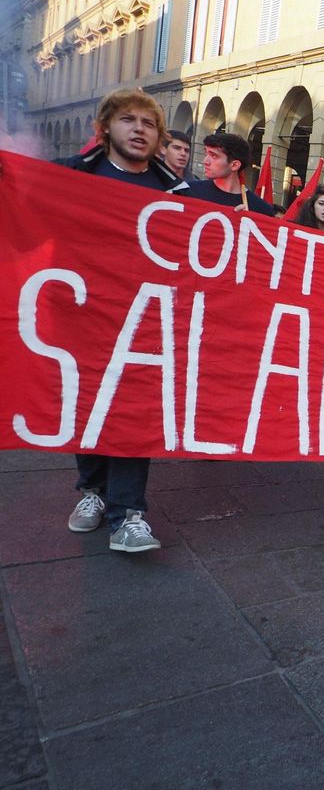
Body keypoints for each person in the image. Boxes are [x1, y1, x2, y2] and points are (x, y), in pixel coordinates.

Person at [56, 87, 189, 554]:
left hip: (146, 326)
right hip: (83, 319)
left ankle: (128, 513)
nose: (138, 129)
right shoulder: (71, 176)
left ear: (158, 137)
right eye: (128, 120)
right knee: (87, 408)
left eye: (148, 124)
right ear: (106, 128)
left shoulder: (177, 192)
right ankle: (92, 490)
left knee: (134, 415)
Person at [187, 132, 274, 215]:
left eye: (214, 156)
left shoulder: (261, 209)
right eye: (206, 153)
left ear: (234, 165)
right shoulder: (188, 191)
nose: (205, 161)